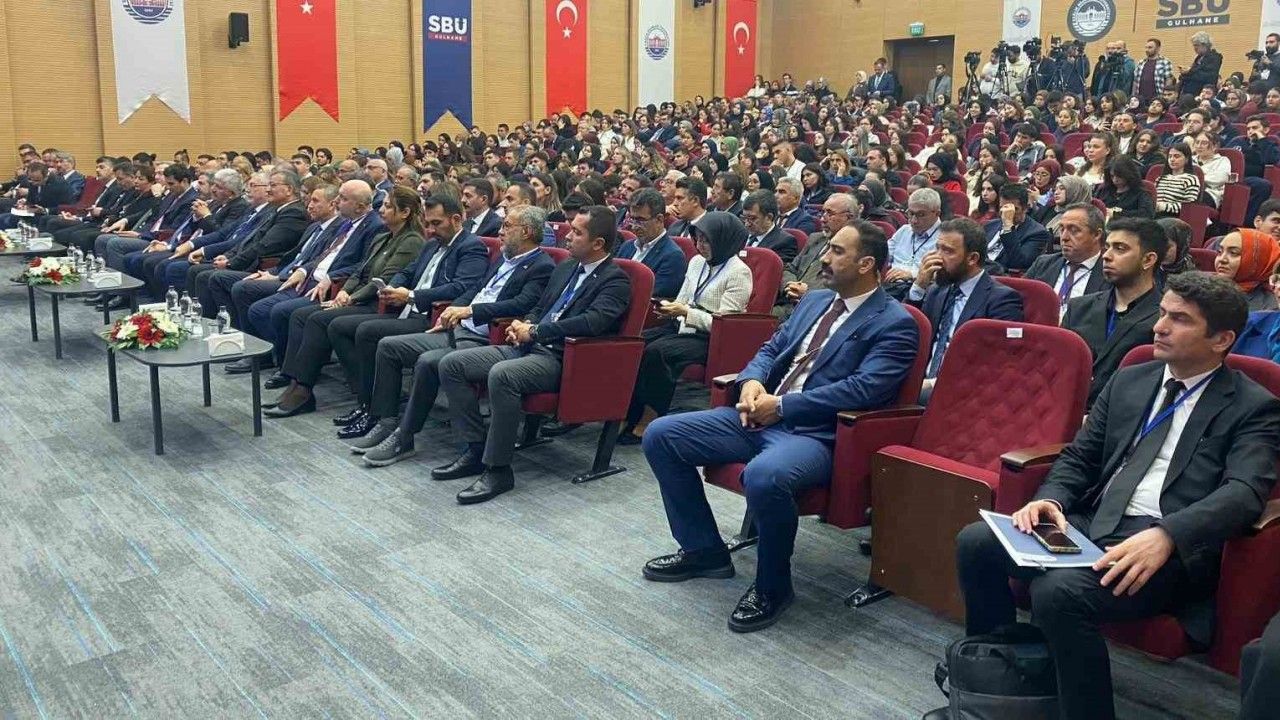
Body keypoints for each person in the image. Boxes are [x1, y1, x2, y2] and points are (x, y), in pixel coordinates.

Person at [949, 271, 1280, 720]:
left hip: (1165, 547)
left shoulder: (1253, 406)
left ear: (1221, 339)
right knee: (976, 542)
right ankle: (1005, 675)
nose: (1159, 327)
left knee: (1058, 592)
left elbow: (1244, 493)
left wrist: (1168, 535)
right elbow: (1080, 457)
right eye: (1162, 313)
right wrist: (1053, 499)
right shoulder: (1131, 380)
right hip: (1095, 519)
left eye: (1179, 319)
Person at [641, 219, 917, 632]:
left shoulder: (895, 322)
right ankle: (704, 551)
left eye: (837, 251)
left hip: (816, 434)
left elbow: (864, 390)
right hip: (759, 414)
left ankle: (773, 587)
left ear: (866, 265)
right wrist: (751, 381)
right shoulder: (816, 300)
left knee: (765, 475)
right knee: (662, 435)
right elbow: (771, 349)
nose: (824, 258)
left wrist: (783, 407)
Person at [434, 206, 633, 505]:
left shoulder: (615, 280)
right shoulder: (566, 267)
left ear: (598, 243)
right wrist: (522, 324)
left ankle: (498, 470)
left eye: (577, 232)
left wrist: (537, 331)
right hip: (529, 346)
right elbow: (541, 307)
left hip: (563, 358)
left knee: (502, 375)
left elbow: (592, 322)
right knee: (452, 364)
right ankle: (475, 449)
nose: (567, 236)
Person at [350, 205, 558, 463]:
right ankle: (385, 421)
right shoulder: (503, 258)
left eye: (507, 226)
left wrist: (470, 311)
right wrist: (451, 310)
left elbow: (521, 305)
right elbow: (476, 289)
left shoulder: (542, 266)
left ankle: (405, 436)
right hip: (458, 329)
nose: (500, 231)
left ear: (525, 232)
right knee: (388, 346)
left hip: (485, 337)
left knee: (428, 362)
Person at [261, 188, 437, 415]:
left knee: (319, 320)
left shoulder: (411, 241)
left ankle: (304, 390)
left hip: (380, 304)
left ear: (404, 212)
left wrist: (351, 298)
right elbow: (359, 271)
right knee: (302, 315)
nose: (381, 210)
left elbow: (383, 280)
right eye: (382, 205)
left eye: (388, 206)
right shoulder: (383, 237)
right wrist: (344, 292)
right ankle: (296, 383)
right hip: (361, 298)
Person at [621, 212, 753, 444]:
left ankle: (650, 417)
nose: (700, 246)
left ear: (724, 240)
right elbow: (683, 298)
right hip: (682, 326)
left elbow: (725, 324)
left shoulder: (739, 272)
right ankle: (627, 412)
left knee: (657, 352)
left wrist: (686, 313)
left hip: (709, 337)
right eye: (697, 239)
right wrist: (669, 308)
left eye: (706, 240)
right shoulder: (696, 262)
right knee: (636, 342)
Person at [232, 181, 385, 370]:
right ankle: (277, 356)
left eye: (343, 198)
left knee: (276, 310)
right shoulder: (347, 223)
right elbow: (325, 255)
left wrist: (331, 277)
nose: (337, 201)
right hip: (310, 276)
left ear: (360, 207)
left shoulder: (374, 226)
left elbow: (364, 264)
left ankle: (289, 366)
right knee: (254, 304)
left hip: (331, 285)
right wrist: (302, 270)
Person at [908, 217, 1023, 401]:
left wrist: (932, 385)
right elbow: (909, 333)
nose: (937, 257)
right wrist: (919, 286)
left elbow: (998, 364)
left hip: (964, 392)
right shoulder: (937, 290)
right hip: (920, 381)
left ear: (972, 258)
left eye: (947, 251)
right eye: (937, 248)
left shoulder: (1002, 300)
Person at [1062, 217, 1167, 407]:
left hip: (1122, 415)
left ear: (1148, 260)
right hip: (1067, 408)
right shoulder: (1079, 307)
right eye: (1107, 247)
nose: (1106, 256)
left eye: (1120, 249)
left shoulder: (1164, 319)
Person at [189, 169, 308, 318]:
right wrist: (228, 256)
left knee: (215, 277)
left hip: (265, 267)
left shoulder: (294, 213)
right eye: (268, 185)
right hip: (249, 261)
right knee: (200, 271)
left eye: (273, 185)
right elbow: (249, 238)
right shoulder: (277, 209)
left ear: (289, 189)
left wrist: (231, 263)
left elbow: (264, 246)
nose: (268, 189)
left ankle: (229, 326)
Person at [1025, 203, 1111, 317]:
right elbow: (1019, 300)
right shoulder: (1043, 264)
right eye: (1062, 229)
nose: (1064, 237)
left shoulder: (1111, 273)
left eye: (1074, 230)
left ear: (1096, 234)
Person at [617, 188, 688, 299]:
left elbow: (650, 299)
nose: (634, 226)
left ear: (659, 219)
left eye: (640, 220)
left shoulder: (673, 257)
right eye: (632, 219)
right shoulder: (627, 247)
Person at [983, 182, 1052, 273]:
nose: (1006, 213)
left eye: (1014, 209)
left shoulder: (1037, 233)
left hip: (1002, 276)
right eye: (1003, 208)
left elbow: (1019, 263)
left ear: (1025, 208)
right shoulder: (990, 225)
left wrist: (1008, 227)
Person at [1225, 116, 1280, 223]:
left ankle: (1247, 223)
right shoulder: (1238, 141)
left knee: (1263, 185)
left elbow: (1273, 160)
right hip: (1230, 176)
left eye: (1255, 128)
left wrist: (1262, 140)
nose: (1251, 131)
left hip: (1250, 178)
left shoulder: (1270, 144)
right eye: (1248, 129)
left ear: (1266, 130)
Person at [1215, 229, 1280, 311]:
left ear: (1259, 260)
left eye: (1233, 253)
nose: (1222, 259)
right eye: (1220, 252)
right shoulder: (1204, 285)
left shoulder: (1271, 308)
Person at [741, 189, 798, 265]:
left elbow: (775, 270)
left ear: (769, 217)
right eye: (744, 218)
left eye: (752, 218)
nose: (747, 224)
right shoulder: (741, 235)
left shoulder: (785, 243)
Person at [1095, 155, 1156, 220]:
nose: (1115, 180)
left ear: (1128, 174)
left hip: (1130, 225)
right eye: (1112, 176)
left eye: (1119, 176)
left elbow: (1147, 214)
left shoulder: (1140, 192)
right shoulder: (1104, 190)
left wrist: (1116, 214)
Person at [1154, 143, 1201, 218]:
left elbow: (1189, 207)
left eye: (1177, 156)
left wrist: (1163, 207)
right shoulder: (1160, 178)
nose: (1172, 159)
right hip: (1155, 214)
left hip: (1175, 217)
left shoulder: (1191, 179)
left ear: (1186, 159)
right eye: (1170, 156)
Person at [1177, 31, 1224, 97]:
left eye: (1196, 45)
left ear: (1205, 45)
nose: (1194, 48)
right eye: (1194, 45)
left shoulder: (1214, 57)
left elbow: (1209, 76)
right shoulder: (1199, 58)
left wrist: (1189, 71)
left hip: (1202, 93)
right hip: (1189, 92)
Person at [1192, 132, 1230, 208]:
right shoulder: (1190, 160)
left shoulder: (1222, 160)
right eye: (1197, 142)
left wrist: (1196, 179)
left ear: (1214, 146)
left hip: (1209, 194)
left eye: (1204, 143)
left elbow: (1220, 179)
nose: (1199, 146)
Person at [1157, 217, 1197, 281]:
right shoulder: (1145, 269)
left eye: (1167, 246)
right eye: (1155, 245)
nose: (1160, 251)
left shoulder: (1192, 279)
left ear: (1181, 247)